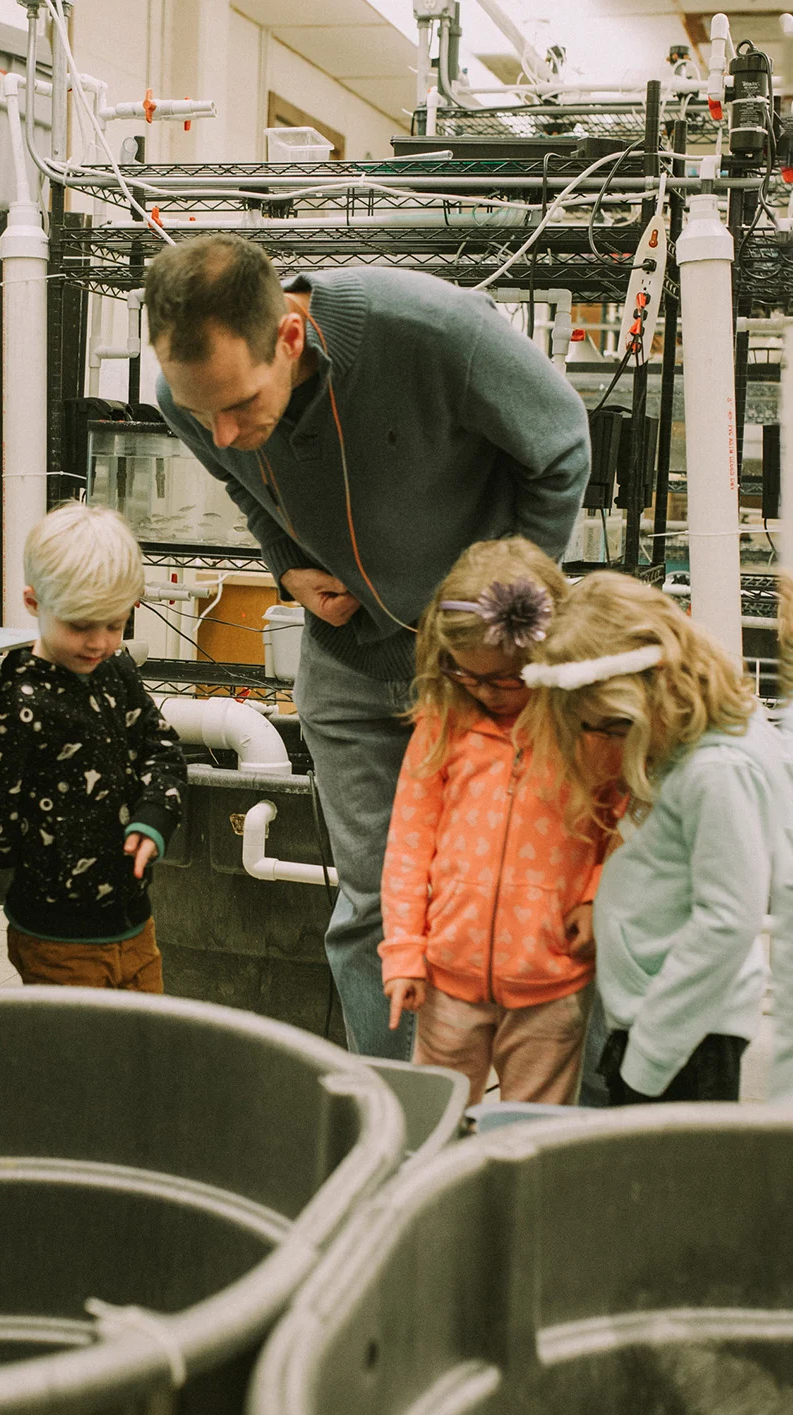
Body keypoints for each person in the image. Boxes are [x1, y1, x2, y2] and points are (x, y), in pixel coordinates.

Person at [144, 233, 591, 1058]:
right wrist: (287, 568)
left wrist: (508, 616)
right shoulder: (191, 399)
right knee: (375, 907)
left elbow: (561, 445)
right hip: (349, 661)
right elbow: (244, 486)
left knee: (545, 890)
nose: (227, 431)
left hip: (487, 664)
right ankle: (405, 1114)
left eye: (241, 404)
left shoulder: (431, 333)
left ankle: (575, 1131)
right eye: (201, 412)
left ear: (288, 335)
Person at [524, 572, 786, 1103]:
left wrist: (647, 1061)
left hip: (682, 1038)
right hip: (658, 1020)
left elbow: (727, 920)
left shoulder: (716, 771)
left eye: (612, 728)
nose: (602, 744)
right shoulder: (686, 747)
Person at [379, 538, 612, 1108]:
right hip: (445, 983)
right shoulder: (441, 726)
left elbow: (624, 822)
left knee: (533, 1134)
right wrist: (404, 951)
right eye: (469, 676)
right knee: (436, 1121)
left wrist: (597, 896)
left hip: (552, 984)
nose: (487, 692)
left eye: (508, 679)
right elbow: (408, 848)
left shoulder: (586, 730)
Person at [0, 502, 186, 991]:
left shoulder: (118, 673)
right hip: (56, 940)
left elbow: (161, 748)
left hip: (135, 926)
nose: (99, 642)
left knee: (144, 1054)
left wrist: (153, 817)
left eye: (115, 624)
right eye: (81, 625)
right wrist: (36, 855)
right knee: (77, 1063)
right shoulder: (19, 699)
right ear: (34, 603)